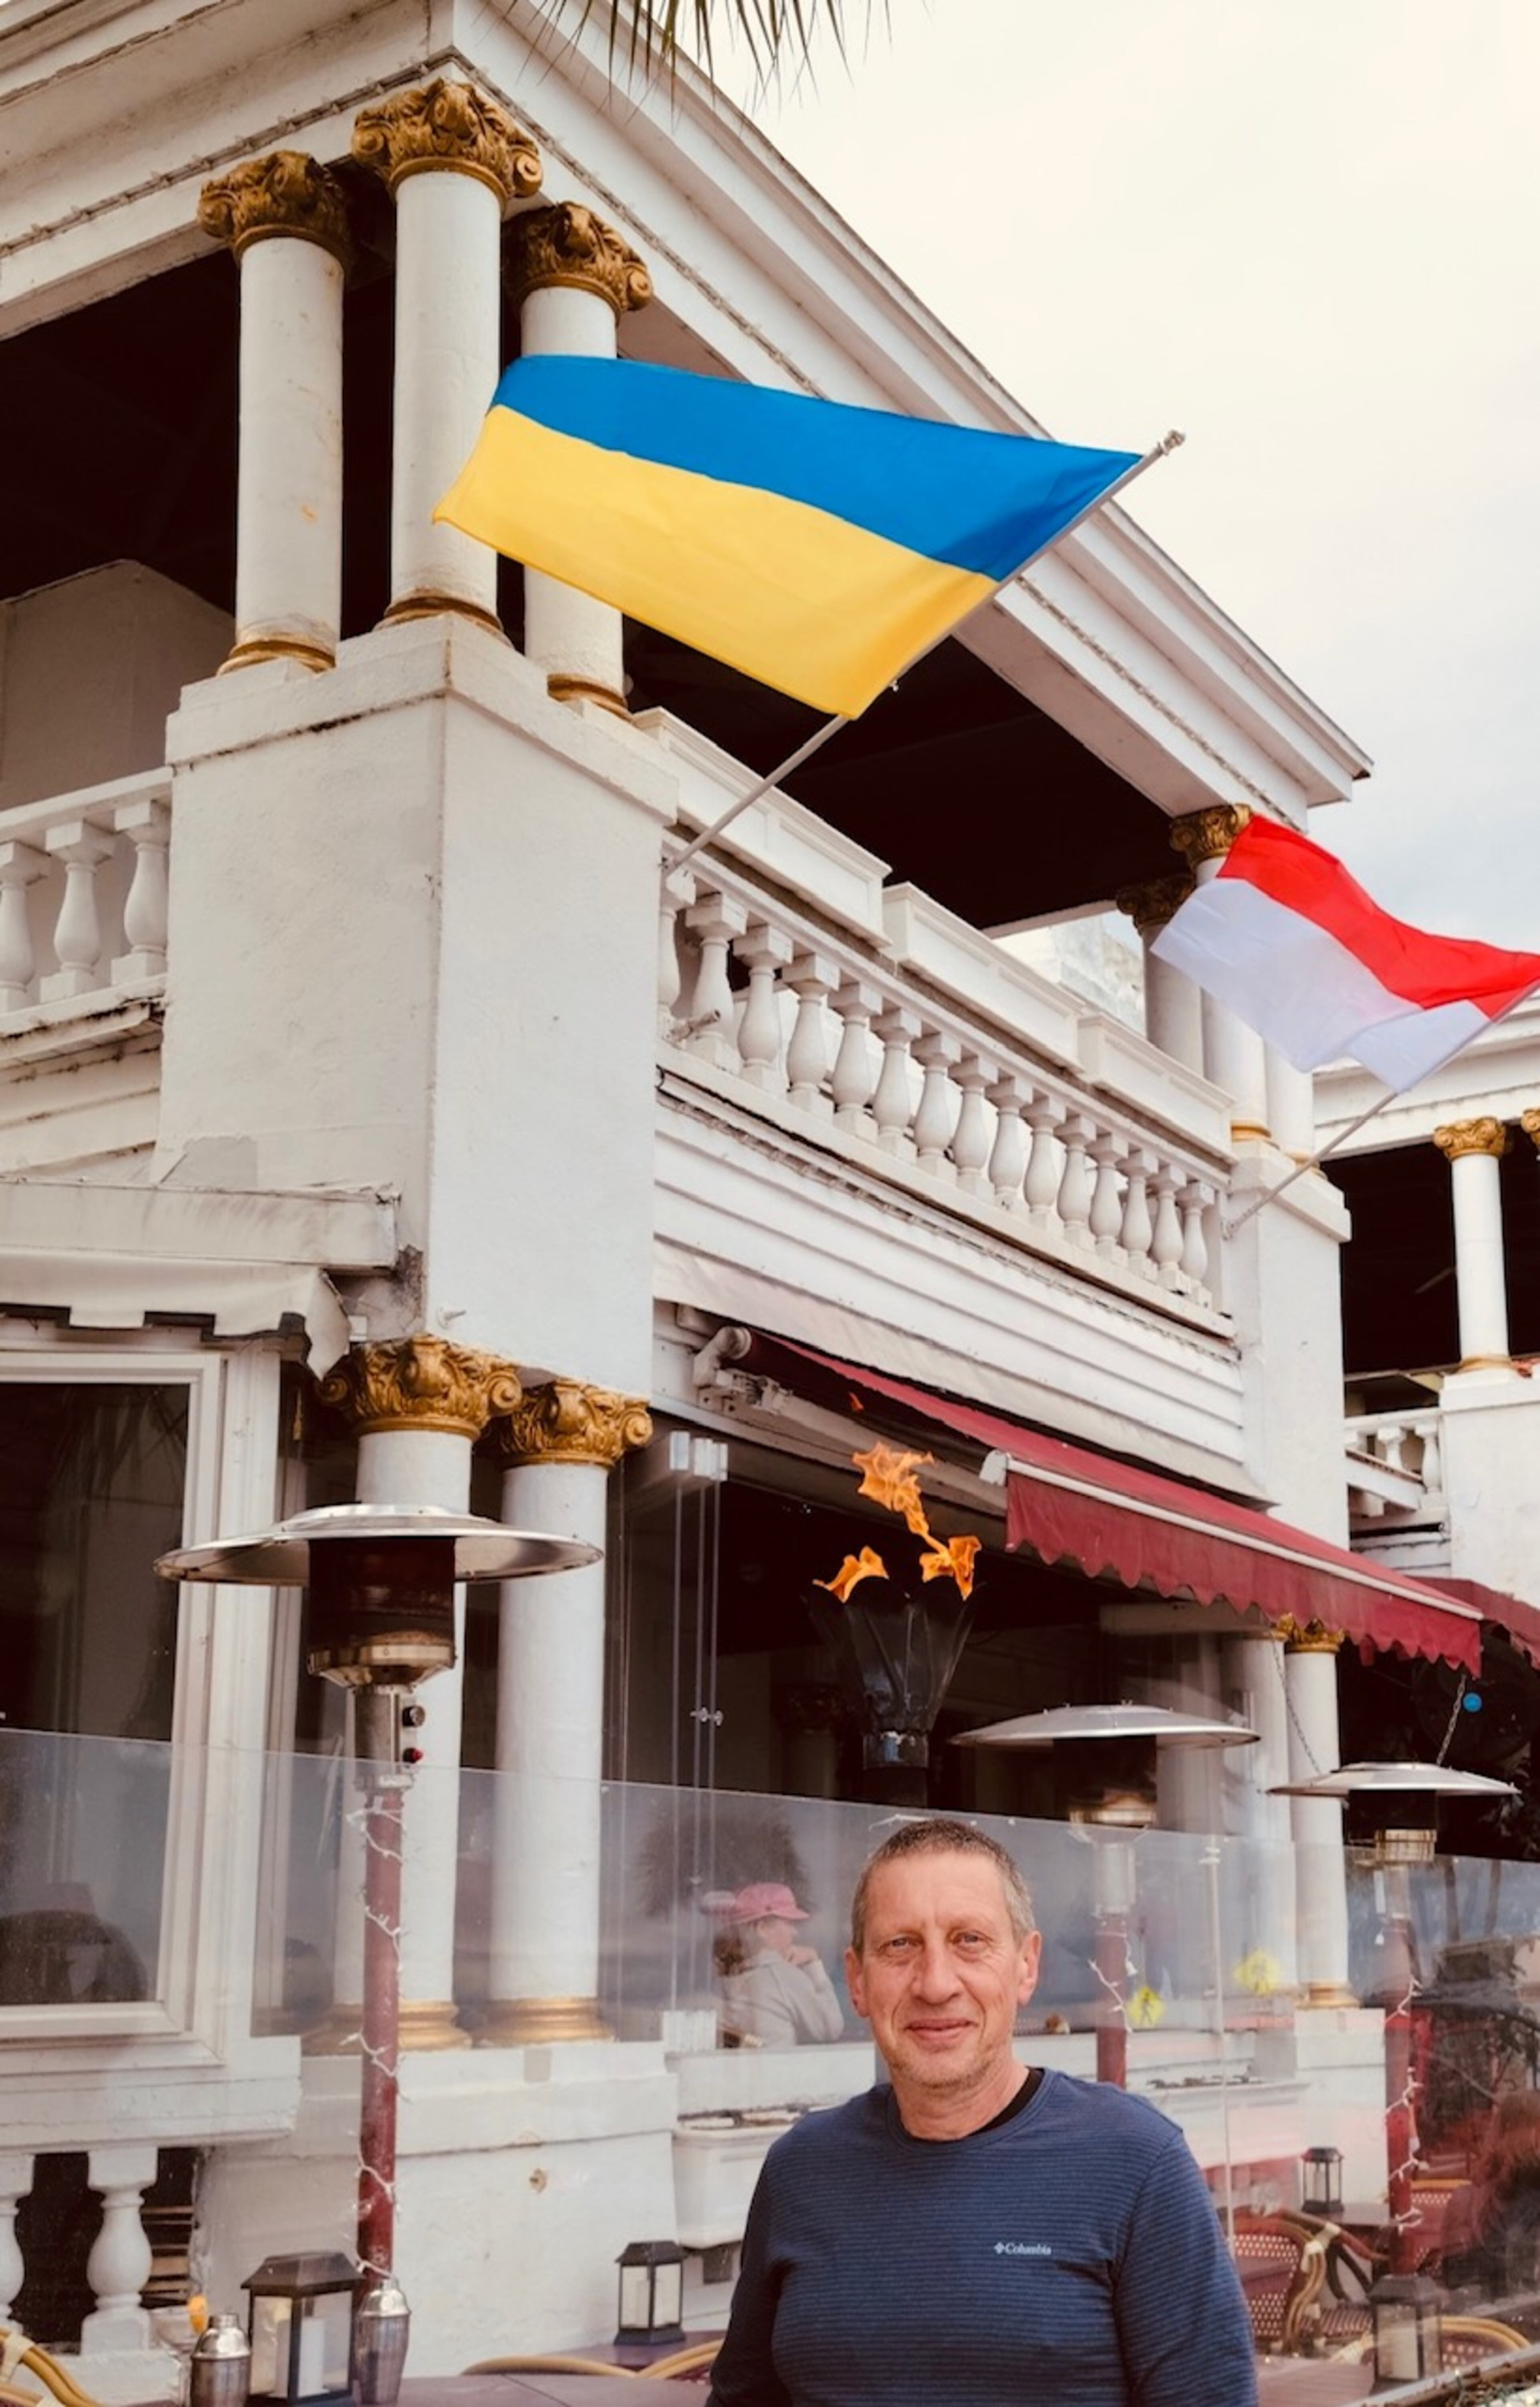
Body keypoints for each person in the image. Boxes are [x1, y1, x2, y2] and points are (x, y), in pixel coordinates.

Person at [707, 1817, 1255, 2407]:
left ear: (1026, 1965)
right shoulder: (802, 2170)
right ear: (857, 1980)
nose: (936, 1983)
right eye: (901, 1945)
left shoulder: (1137, 2163)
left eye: (970, 1940)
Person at [717, 1882, 847, 2048]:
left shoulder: (724, 1978)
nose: (795, 1932)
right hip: (778, 2071)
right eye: (788, 1923)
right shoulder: (782, 1978)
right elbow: (830, 2027)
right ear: (763, 1929)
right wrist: (814, 1964)